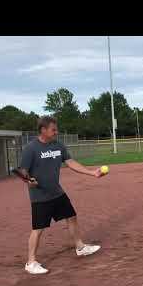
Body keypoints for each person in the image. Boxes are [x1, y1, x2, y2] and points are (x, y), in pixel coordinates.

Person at [19, 116, 106, 275]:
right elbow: (23, 171)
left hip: (57, 192)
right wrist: (28, 181)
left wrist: (92, 173)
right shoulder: (31, 148)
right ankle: (30, 262)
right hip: (40, 195)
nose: (56, 132)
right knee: (38, 228)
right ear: (43, 130)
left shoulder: (58, 145)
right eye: (53, 129)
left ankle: (80, 247)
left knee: (71, 216)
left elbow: (70, 162)